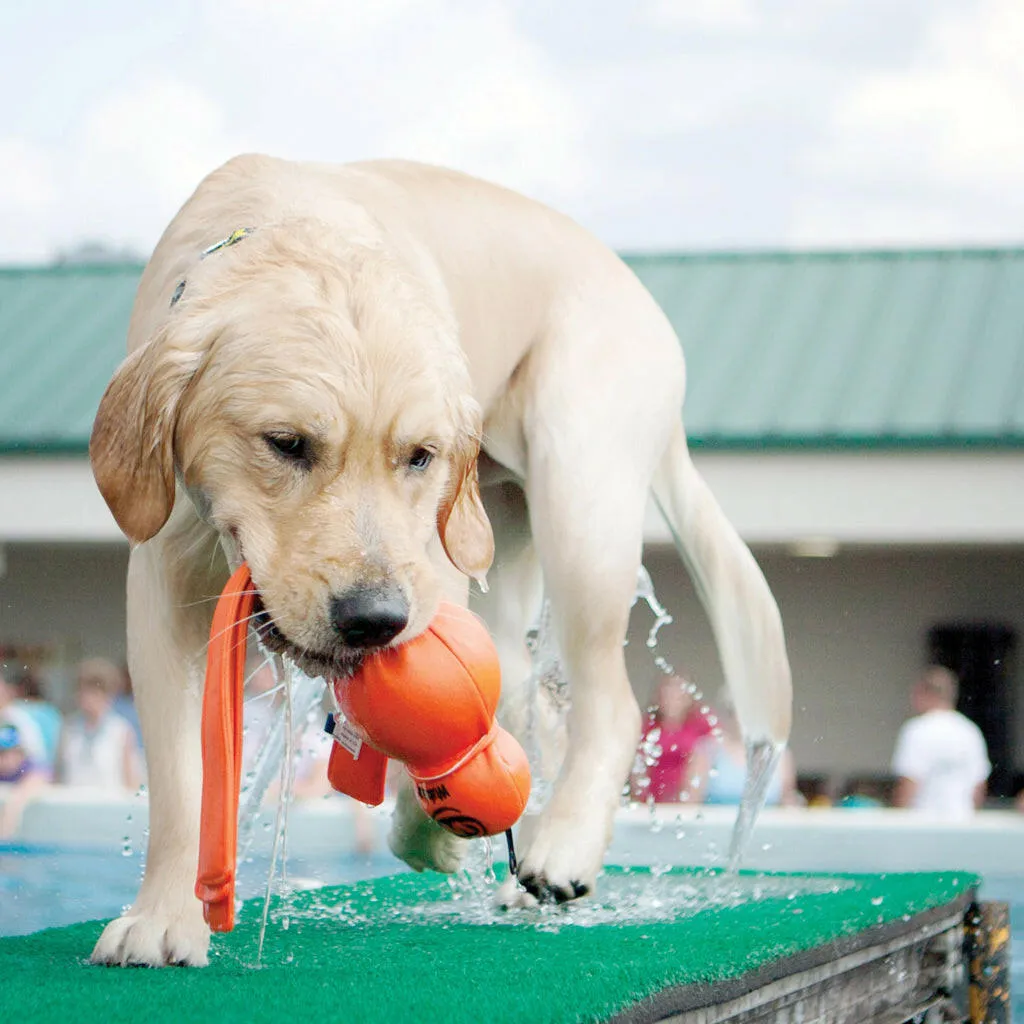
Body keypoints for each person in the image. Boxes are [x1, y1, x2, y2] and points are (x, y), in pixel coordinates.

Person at [891, 665, 990, 819]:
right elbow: (979, 786)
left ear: (926, 693)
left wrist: (898, 821)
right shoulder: (970, 731)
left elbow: (909, 782)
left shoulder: (917, 730)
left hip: (923, 823)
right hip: (961, 824)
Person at [684, 695, 800, 807]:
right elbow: (691, 802)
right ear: (729, 713)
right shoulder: (708, 750)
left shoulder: (779, 754)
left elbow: (788, 801)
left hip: (765, 826)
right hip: (716, 825)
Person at [56, 658, 142, 790]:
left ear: (107, 695)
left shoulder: (121, 731)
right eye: (82, 691)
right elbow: (58, 775)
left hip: (108, 807)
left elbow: (132, 782)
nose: (86, 698)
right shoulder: (68, 728)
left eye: (93, 692)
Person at [633, 675, 713, 803]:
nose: (671, 699)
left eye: (677, 696)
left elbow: (700, 766)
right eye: (668, 695)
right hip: (651, 797)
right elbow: (638, 769)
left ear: (688, 699)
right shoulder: (647, 728)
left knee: (700, 756)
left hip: (684, 795)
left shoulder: (699, 727)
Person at [0, 666, 50, 837]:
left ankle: (6, 834)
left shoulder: (19, 719)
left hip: (24, 774)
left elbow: (38, 759)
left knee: (17, 799)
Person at [11, 669, 62, 773]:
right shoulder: (53, 713)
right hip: (49, 770)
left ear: (20, 690)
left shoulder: (17, 709)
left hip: (26, 771)